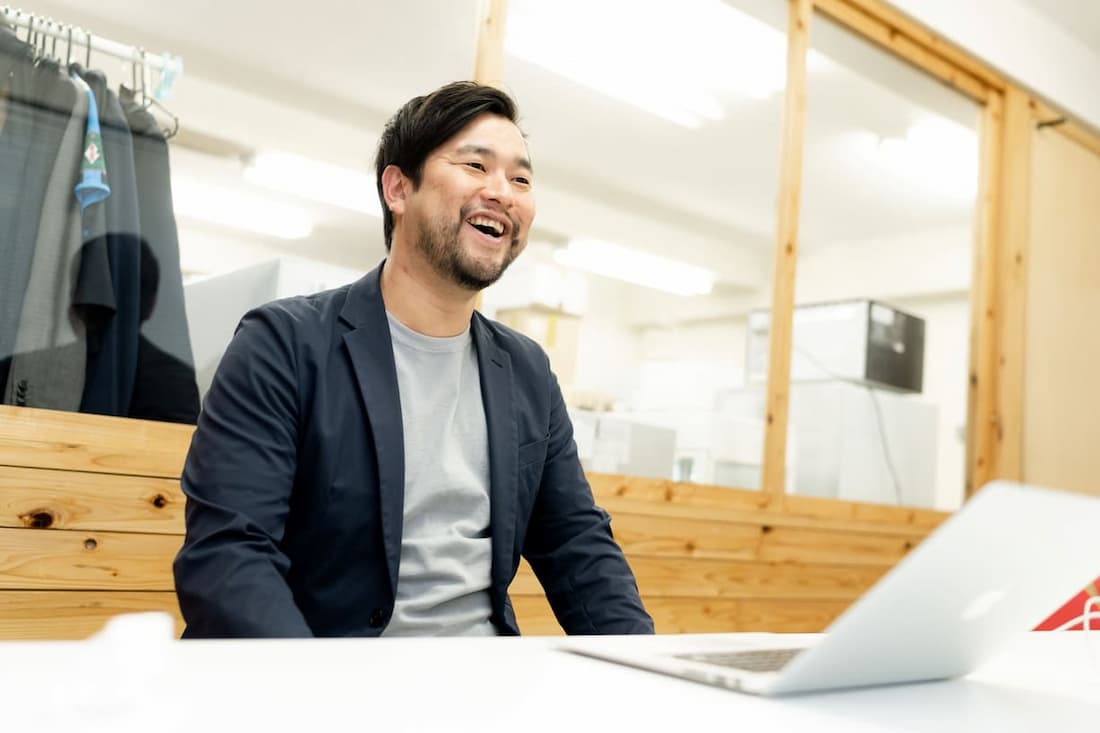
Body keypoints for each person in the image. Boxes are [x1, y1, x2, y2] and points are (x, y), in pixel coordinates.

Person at [173, 81, 654, 638]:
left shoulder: (526, 370)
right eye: (476, 166)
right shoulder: (283, 343)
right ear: (398, 189)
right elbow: (228, 555)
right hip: (326, 681)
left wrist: (652, 672)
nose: (503, 192)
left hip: (484, 687)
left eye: (520, 178)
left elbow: (577, 545)